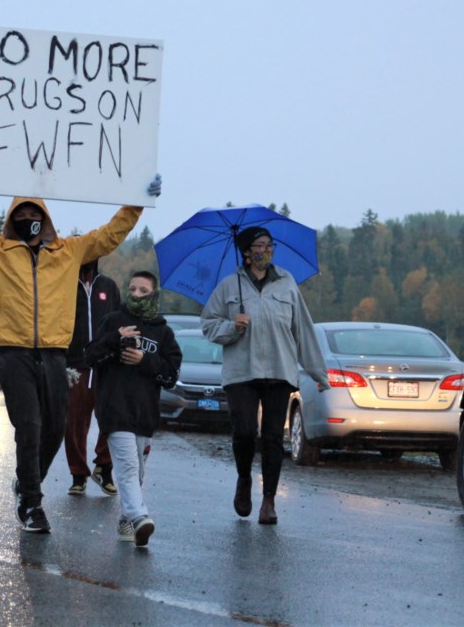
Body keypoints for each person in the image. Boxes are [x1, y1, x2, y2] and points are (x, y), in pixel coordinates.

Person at [0, 152, 161, 533]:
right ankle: (32, 502)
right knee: (29, 425)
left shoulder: (67, 252)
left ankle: (27, 480)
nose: (27, 221)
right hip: (13, 352)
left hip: (54, 354)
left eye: (34, 216)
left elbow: (110, 234)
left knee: (55, 427)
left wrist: (136, 202)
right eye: (21, 216)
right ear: (12, 220)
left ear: (45, 219)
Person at [201, 226, 329, 525]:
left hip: (279, 370)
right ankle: (244, 478)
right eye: (260, 245)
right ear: (247, 252)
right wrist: (233, 326)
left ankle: (269, 501)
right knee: (244, 432)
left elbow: (303, 329)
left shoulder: (286, 284)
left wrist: (318, 372)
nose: (267, 250)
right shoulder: (229, 285)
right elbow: (208, 324)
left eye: (270, 245)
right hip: (241, 372)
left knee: (273, 438)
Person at [84, 271, 182, 547]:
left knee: (137, 471)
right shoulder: (113, 321)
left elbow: (171, 375)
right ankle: (140, 517)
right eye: (133, 289)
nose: (136, 295)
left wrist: (144, 359)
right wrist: (115, 339)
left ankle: (126, 518)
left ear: (154, 295)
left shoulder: (163, 332)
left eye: (143, 291)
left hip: (145, 413)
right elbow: (90, 356)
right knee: (126, 467)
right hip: (115, 409)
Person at [64, 258, 120, 497]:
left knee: (112, 419)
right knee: (73, 424)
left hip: (106, 364)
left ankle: (104, 468)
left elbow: (119, 321)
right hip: (75, 365)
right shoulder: (64, 286)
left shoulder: (108, 286)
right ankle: (78, 475)